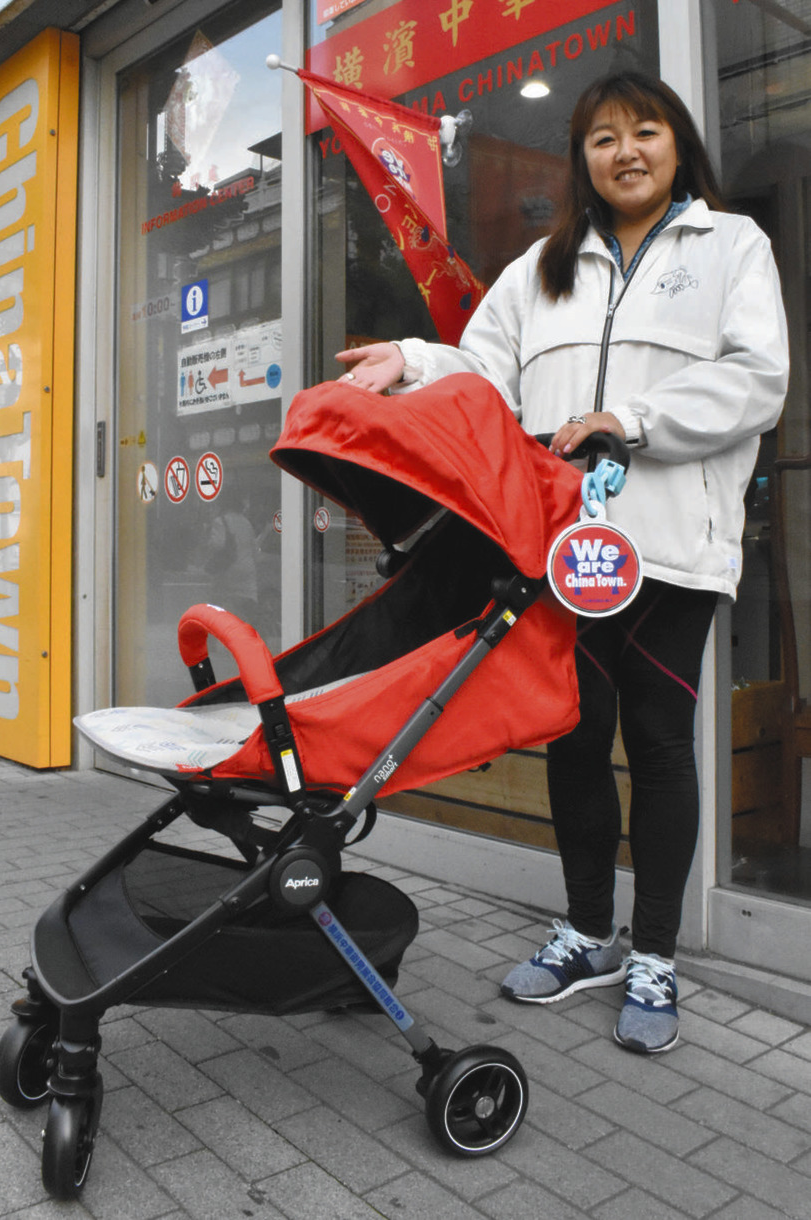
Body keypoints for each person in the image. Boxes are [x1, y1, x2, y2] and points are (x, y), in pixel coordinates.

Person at [333, 71, 789, 1054]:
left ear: (678, 145)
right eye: (602, 138)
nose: (625, 152)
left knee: (660, 740)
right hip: (560, 547)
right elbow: (482, 366)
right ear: (581, 159)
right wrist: (410, 360)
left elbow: (759, 378)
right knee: (575, 737)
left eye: (646, 132)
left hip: (670, 545)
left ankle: (657, 952)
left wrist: (633, 421)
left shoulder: (729, 247)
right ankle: (590, 932)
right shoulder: (546, 265)